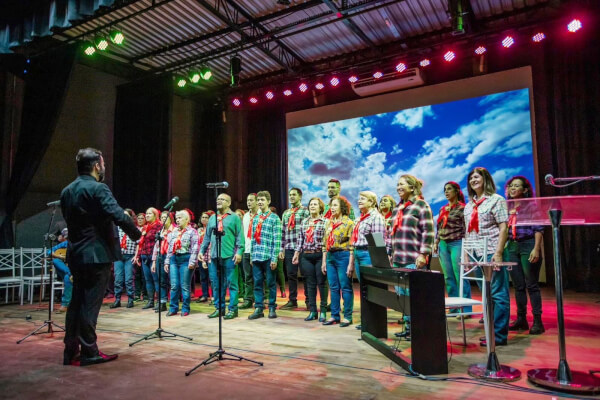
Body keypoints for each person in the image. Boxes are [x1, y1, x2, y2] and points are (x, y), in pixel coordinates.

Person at [60, 148, 141, 366]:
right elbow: (117, 214)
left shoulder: (67, 191)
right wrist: (136, 234)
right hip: (96, 255)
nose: (103, 167)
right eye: (102, 163)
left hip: (76, 255)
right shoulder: (98, 188)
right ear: (96, 166)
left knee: (76, 303)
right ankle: (89, 352)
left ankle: (70, 350)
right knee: (90, 305)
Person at [463, 167, 509, 347]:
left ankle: (499, 335)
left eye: (477, 177)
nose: (473, 180)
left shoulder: (496, 200)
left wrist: (498, 253)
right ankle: (491, 332)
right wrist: (467, 256)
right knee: (486, 294)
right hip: (476, 254)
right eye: (471, 178)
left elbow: (503, 228)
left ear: (486, 179)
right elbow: (468, 232)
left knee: (498, 293)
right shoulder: (469, 206)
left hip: (491, 251)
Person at [389, 175, 434, 339]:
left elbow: (428, 232)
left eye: (401, 184)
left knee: (414, 296)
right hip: (398, 258)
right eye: (397, 184)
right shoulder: (398, 208)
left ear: (412, 187)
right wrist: (389, 253)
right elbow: (391, 233)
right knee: (402, 295)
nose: (398, 187)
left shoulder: (421, 205)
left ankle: (418, 329)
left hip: (413, 258)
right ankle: (408, 327)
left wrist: (423, 254)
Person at [504, 175, 545, 335]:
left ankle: (538, 321)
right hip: (513, 246)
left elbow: (539, 228)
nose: (513, 188)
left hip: (528, 244)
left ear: (525, 190)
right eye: (511, 186)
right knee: (518, 285)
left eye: (517, 186)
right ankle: (521, 319)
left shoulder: (531, 206)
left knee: (532, 285)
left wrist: (537, 248)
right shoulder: (508, 207)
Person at [200, 194, 244, 320]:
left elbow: (239, 237)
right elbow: (207, 237)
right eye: (218, 199)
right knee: (216, 284)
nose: (219, 201)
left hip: (229, 256)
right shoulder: (213, 218)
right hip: (214, 257)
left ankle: (233, 309)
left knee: (232, 284)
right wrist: (202, 251)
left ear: (229, 203)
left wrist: (239, 252)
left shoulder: (234, 218)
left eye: (222, 199)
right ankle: (219, 308)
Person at [432, 182, 471, 314]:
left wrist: (466, 246)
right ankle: (454, 307)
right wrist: (436, 242)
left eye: (449, 189)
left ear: (457, 191)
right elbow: (439, 228)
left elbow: (466, 229)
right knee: (448, 277)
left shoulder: (463, 208)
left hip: (457, 242)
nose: (446, 192)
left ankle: (465, 308)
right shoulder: (443, 209)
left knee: (460, 275)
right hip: (443, 243)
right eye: (445, 190)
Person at [292, 197, 328, 322]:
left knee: (321, 283)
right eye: (311, 204)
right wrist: (296, 253)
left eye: (315, 204)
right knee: (310, 284)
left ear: (320, 207)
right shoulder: (304, 222)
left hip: (319, 255)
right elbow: (300, 240)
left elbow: (326, 241)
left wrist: (324, 259)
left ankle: (323, 310)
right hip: (306, 256)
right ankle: (313, 311)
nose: (312, 206)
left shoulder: (325, 222)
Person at [322, 196, 355, 327]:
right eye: (331, 205)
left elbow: (352, 245)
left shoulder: (349, 223)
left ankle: (347, 316)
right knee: (334, 287)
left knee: (345, 287)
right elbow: (324, 244)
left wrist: (351, 264)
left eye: (335, 205)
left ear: (342, 207)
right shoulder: (328, 223)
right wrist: (324, 261)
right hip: (330, 256)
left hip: (343, 255)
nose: (332, 208)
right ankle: (335, 315)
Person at [248, 191, 282, 320]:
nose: (260, 202)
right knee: (257, 283)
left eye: (262, 200)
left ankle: (272, 307)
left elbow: (277, 240)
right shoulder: (256, 218)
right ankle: (259, 308)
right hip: (257, 255)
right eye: (259, 200)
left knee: (271, 283)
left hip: (268, 256)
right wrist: (251, 255)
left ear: (268, 201)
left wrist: (274, 258)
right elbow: (252, 238)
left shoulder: (274, 218)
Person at [164, 210, 199, 317]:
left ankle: (185, 308)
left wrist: (192, 261)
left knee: (184, 285)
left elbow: (195, 248)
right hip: (174, 258)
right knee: (174, 285)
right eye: (177, 218)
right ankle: (173, 308)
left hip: (186, 258)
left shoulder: (192, 231)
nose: (178, 220)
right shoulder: (174, 232)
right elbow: (170, 248)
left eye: (180, 218)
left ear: (187, 219)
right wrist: (167, 262)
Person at [280, 188, 310, 310]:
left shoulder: (305, 212)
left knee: (306, 275)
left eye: (294, 195)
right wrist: (281, 249)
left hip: (302, 248)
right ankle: (292, 300)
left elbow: (307, 231)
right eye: (290, 195)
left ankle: (309, 300)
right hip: (289, 248)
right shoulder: (286, 213)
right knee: (291, 275)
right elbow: (283, 232)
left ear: (300, 196)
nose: (291, 197)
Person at [134, 208, 162, 310]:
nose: (147, 215)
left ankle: (159, 302)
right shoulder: (145, 227)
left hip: (153, 256)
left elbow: (157, 239)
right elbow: (141, 242)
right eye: (147, 213)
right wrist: (138, 256)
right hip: (144, 255)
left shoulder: (159, 225)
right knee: (148, 279)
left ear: (155, 215)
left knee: (156, 279)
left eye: (150, 213)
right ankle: (150, 301)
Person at [110, 209, 138, 309]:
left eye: (127, 216)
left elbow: (138, 242)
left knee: (129, 279)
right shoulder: (117, 228)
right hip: (119, 256)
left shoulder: (134, 228)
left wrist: (136, 255)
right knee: (118, 278)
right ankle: (117, 299)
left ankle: (131, 299)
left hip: (130, 256)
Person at [150, 211, 174, 312]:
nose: (164, 219)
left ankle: (173, 304)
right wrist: (154, 261)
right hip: (161, 256)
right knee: (161, 281)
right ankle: (162, 303)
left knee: (171, 281)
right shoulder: (161, 230)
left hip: (171, 256)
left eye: (166, 217)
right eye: (162, 217)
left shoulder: (174, 230)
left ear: (170, 218)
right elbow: (156, 247)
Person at [240, 194, 258, 309]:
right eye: (247, 200)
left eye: (251, 200)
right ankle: (248, 299)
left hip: (257, 251)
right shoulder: (246, 216)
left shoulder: (261, 215)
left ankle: (259, 299)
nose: (249, 202)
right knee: (247, 277)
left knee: (258, 277)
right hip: (246, 250)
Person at [48, 228, 71, 313]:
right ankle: (70, 273)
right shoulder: (64, 244)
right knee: (55, 260)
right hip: (64, 271)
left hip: (76, 271)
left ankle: (65, 304)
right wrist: (59, 257)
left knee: (67, 278)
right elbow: (49, 251)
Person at [195, 211, 213, 303]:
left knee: (212, 277)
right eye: (203, 217)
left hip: (210, 254)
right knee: (203, 277)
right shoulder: (199, 230)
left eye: (206, 217)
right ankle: (205, 295)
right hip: (201, 256)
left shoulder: (212, 229)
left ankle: (214, 296)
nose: (204, 219)